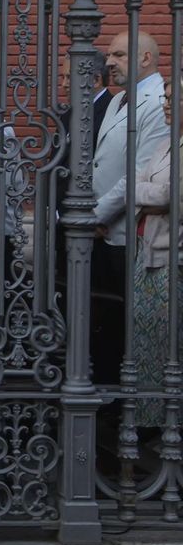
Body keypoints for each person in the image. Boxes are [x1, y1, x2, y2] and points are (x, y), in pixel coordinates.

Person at [92, 31, 168, 385]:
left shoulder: (157, 102)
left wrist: (95, 216)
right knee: (106, 316)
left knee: (127, 318)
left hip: (126, 229)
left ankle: (132, 401)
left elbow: (136, 174)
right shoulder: (117, 99)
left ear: (146, 59)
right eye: (110, 55)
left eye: (120, 55)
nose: (109, 62)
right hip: (104, 228)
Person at [120, 78, 180, 429]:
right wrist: (150, 192)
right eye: (166, 99)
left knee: (169, 343)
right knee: (147, 341)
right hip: (147, 248)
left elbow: (170, 195)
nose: (166, 105)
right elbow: (136, 184)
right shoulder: (162, 145)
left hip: (172, 253)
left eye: (174, 99)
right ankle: (152, 424)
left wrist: (148, 192)